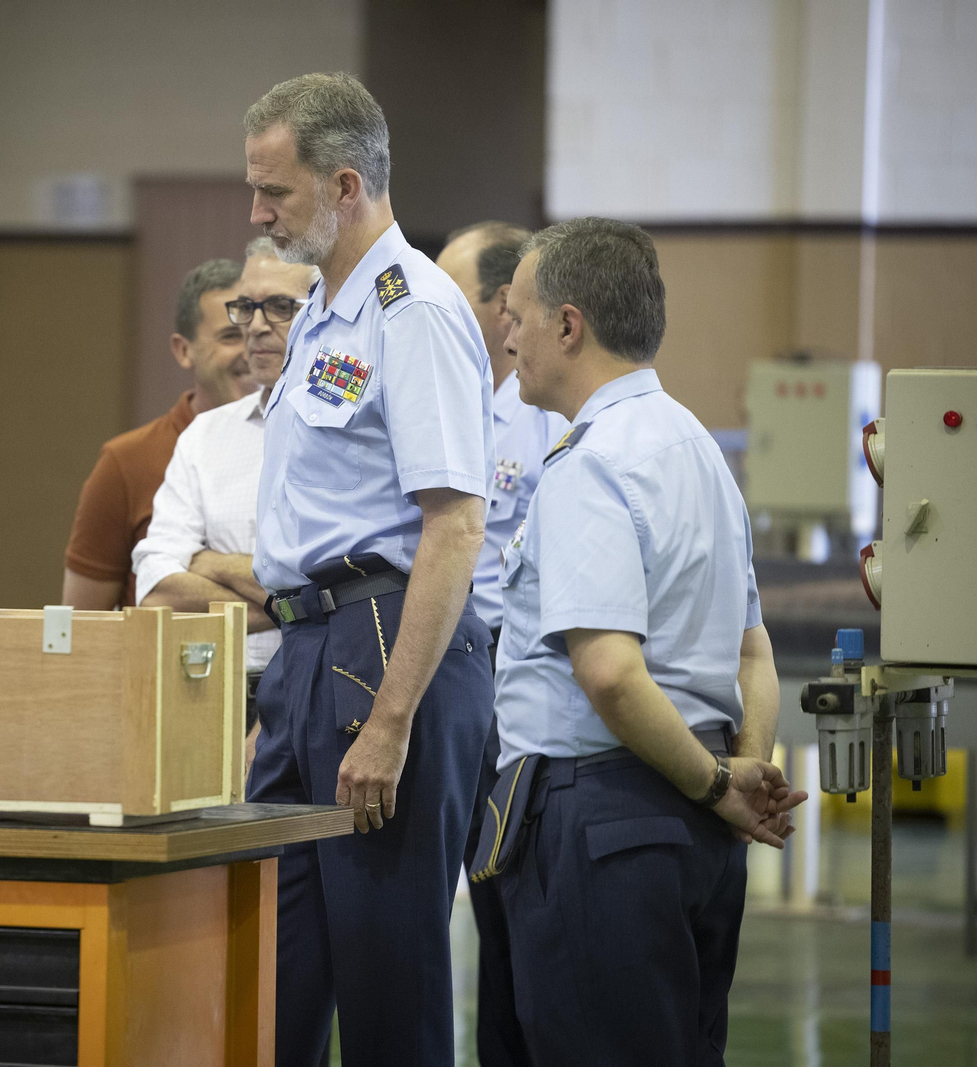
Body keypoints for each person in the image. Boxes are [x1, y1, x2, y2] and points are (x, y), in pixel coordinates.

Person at [483, 217, 804, 1064]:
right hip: (694, 826)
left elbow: (611, 675)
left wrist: (718, 787)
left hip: (605, 823)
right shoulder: (696, 449)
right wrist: (740, 771)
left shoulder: (592, 464)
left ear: (568, 324)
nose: (506, 336)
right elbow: (754, 654)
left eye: (518, 315)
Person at [242, 73, 495, 1067]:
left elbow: (455, 526)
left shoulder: (412, 310)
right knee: (276, 977)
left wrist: (390, 720)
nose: (257, 213)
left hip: (384, 646)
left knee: (389, 987)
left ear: (344, 185)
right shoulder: (323, 308)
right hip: (310, 648)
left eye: (274, 192)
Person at [436, 221, 567, 1067]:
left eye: (452, 292)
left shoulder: (545, 417)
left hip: (514, 678)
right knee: (448, 895)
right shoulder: (443, 397)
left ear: (498, 305)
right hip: (440, 673)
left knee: (513, 901)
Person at [132, 237, 318, 764]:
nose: (255, 326)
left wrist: (209, 561)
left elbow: (332, 589)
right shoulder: (205, 435)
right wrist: (289, 609)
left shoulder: (348, 430)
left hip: (315, 683)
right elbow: (157, 593)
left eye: (279, 307)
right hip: (208, 686)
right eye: (246, 307)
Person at [60, 258, 249, 609]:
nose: (252, 351)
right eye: (230, 336)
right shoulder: (127, 462)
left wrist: (204, 564)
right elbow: (81, 622)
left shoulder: (299, 447)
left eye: (258, 334)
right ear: (183, 350)